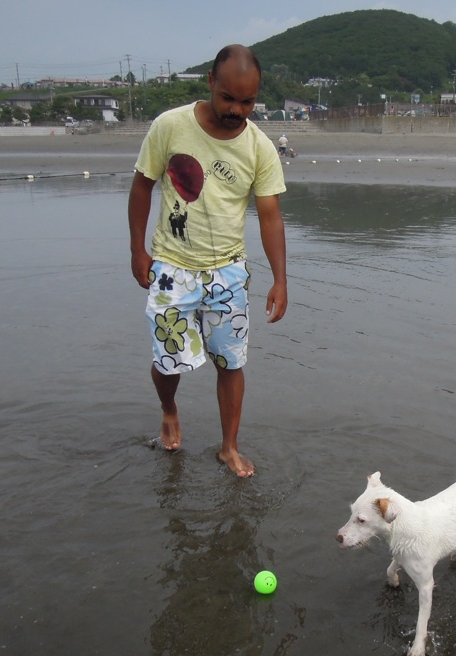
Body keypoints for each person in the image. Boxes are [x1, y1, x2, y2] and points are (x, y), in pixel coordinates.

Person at [128, 44, 288, 478]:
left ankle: (229, 447)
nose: (237, 109)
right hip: (171, 268)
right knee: (168, 359)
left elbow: (270, 215)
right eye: (228, 98)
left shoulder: (259, 146)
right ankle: (169, 408)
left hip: (228, 272)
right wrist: (137, 249)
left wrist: (280, 280)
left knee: (230, 362)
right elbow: (142, 185)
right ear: (211, 84)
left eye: (248, 101)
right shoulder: (170, 127)